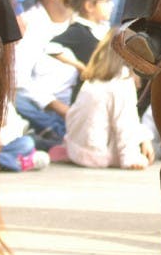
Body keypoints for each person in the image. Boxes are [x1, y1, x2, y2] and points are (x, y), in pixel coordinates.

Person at [13, 0, 81, 151]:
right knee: (14, 102)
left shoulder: (81, 23)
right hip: (39, 108)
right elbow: (18, 81)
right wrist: (60, 109)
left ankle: (50, 139)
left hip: (73, 110)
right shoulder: (30, 24)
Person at [63, 38, 155, 169]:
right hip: (96, 155)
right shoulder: (122, 81)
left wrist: (144, 137)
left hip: (75, 149)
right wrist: (132, 159)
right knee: (154, 150)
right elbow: (125, 123)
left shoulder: (95, 77)